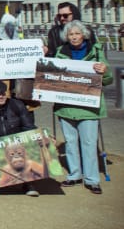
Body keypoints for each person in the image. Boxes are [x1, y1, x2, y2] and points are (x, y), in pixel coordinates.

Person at [54, 20, 112, 195]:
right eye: (71, 34)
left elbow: (108, 80)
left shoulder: (96, 51)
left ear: (84, 35)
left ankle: (92, 179)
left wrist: (105, 71)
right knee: (71, 143)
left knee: (88, 143)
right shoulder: (60, 52)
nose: (74, 37)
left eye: (77, 34)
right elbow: (52, 76)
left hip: (88, 106)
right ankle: (74, 175)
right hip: (66, 105)